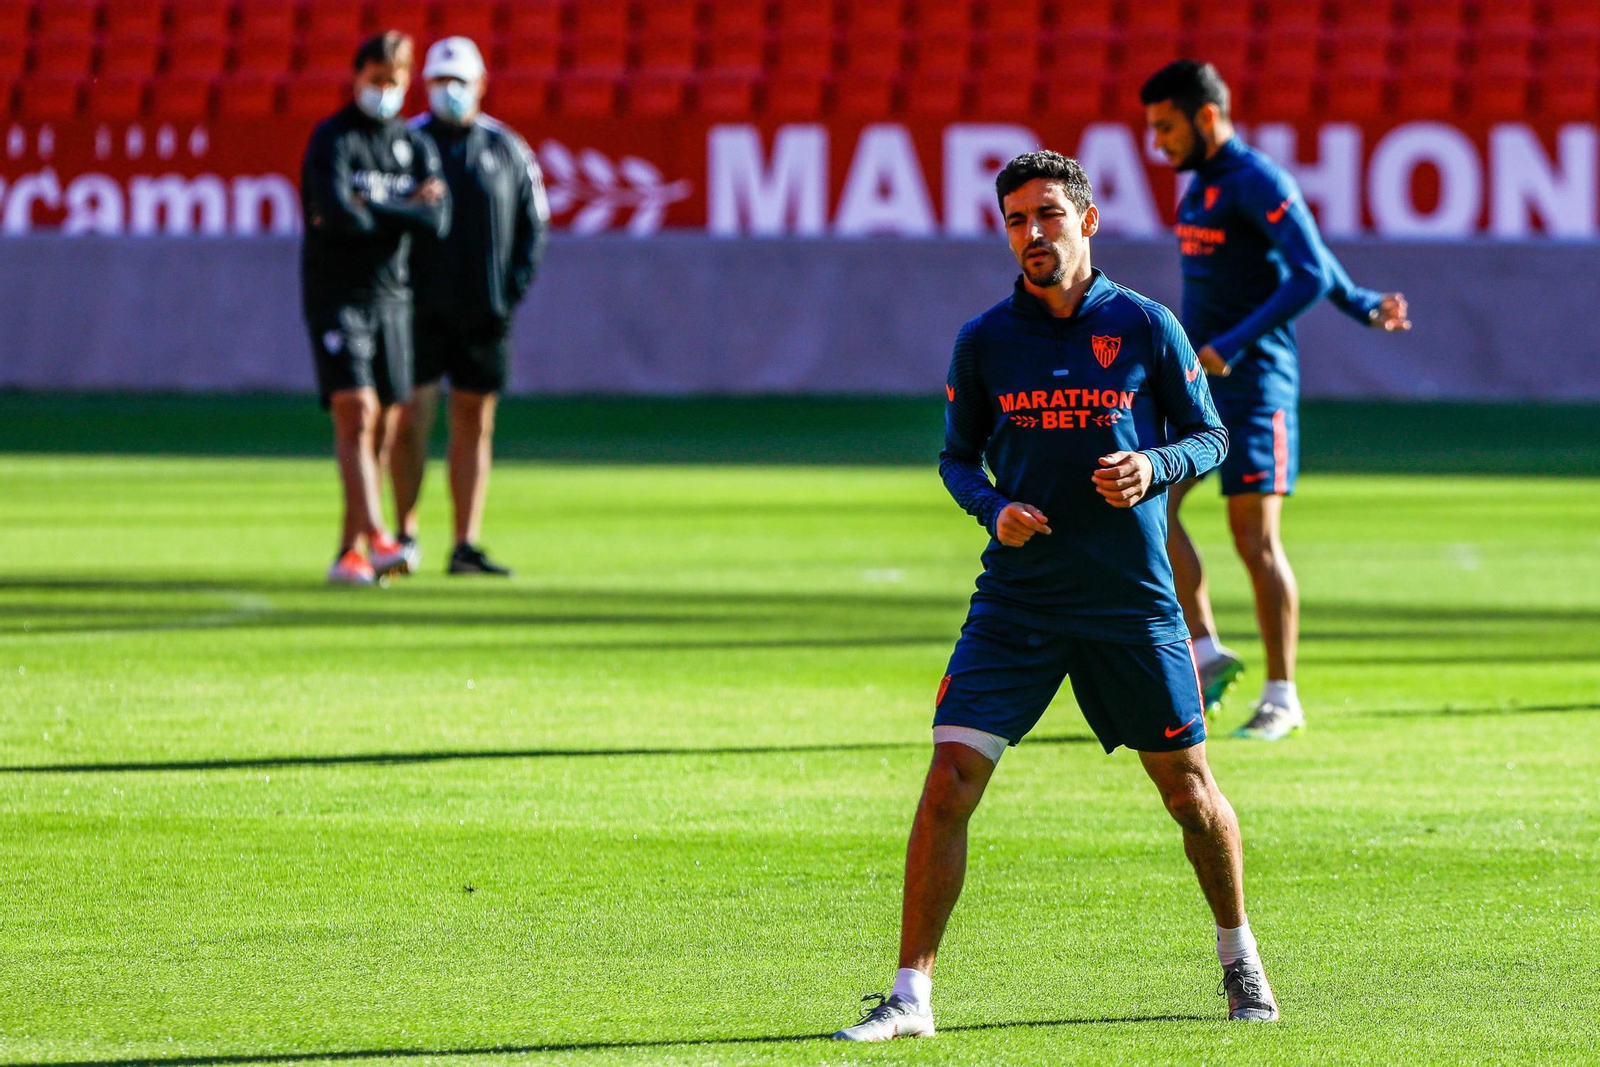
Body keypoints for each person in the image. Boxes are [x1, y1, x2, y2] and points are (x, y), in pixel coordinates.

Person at [833, 151, 1277, 1043]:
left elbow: (1211, 435)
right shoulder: (985, 339)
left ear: (1087, 220)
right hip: (1019, 603)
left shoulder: (1148, 327)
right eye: (1015, 221)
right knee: (948, 780)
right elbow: (958, 457)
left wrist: (1155, 465)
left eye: (1046, 216)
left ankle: (1240, 958)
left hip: (1131, 603)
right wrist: (994, 509)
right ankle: (910, 996)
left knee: (1189, 792)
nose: (1031, 235)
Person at [1141, 61, 1411, 738]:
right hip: (1199, 386)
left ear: (1206, 116)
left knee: (1253, 539)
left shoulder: (1258, 179)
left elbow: (1311, 270)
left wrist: (1234, 341)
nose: (1158, 142)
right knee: (1149, 505)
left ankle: (1282, 695)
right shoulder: (1201, 186)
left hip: (1258, 387)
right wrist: (1365, 303)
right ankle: (1205, 651)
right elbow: (1316, 261)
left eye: (1166, 126)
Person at [392, 37, 549, 577]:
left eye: (459, 81)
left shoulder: (507, 148)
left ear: (482, 85)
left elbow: (535, 224)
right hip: (416, 309)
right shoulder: (404, 143)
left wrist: (510, 290)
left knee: (474, 421)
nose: (449, 91)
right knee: (411, 417)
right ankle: (404, 534)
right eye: (439, 81)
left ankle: (465, 543)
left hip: (483, 311)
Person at [301, 30, 451, 585]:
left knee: (386, 426)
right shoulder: (334, 140)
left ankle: (349, 551)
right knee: (356, 412)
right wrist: (405, 206)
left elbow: (439, 221)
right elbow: (340, 216)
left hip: (394, 296)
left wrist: (379, 205)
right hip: (338, 295)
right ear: (356, 77)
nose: (385, 91)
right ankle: (382, 535)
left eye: (394, 81)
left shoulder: (413, 145)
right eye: (376, 80)